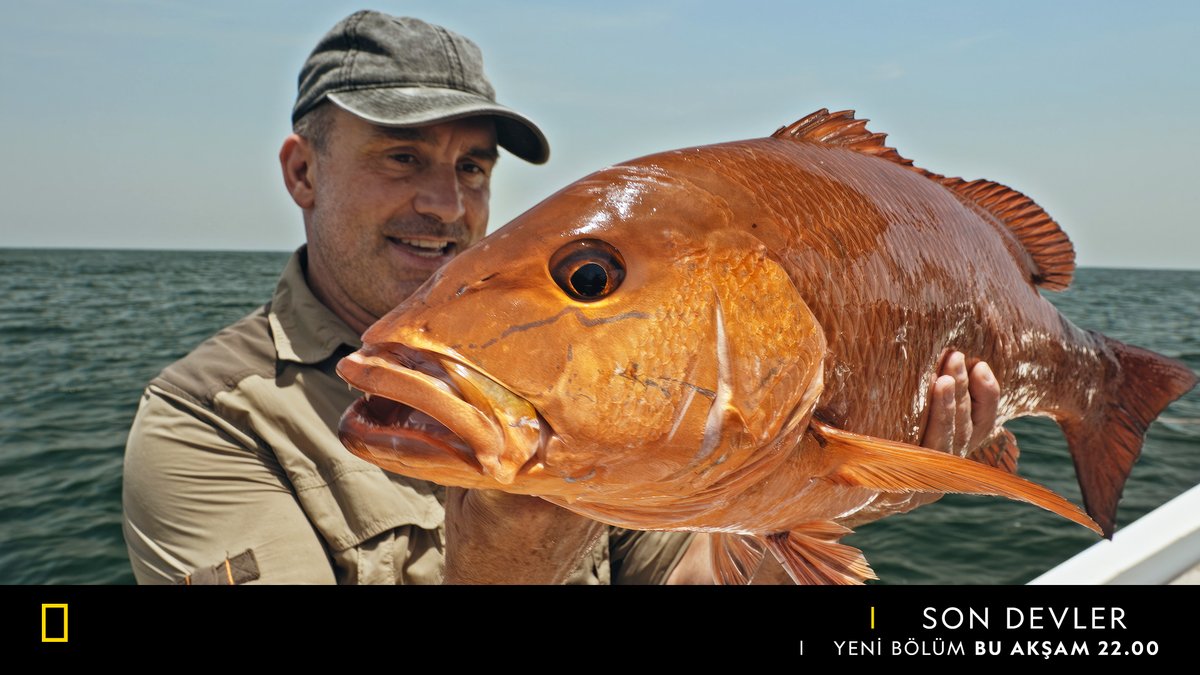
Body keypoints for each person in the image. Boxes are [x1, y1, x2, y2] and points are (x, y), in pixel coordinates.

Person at [122, 10, 999, 585]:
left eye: (472, 167)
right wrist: (508, 556)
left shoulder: (588, 378)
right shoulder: (203, 424)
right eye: (402, 156)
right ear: (302, 171)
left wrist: (830, 491)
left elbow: (690, 574)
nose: (446, 204)